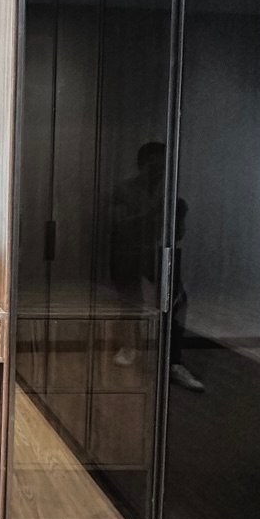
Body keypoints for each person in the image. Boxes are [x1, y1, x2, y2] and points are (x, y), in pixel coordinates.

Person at [109, 140, 204, 392]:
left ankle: (173, 361)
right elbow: (118, 224)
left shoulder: (171, 191)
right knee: (131, 301)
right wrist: (152, 212)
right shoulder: (124, 190)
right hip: (129, 251)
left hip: (159, 252)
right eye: (154, 165)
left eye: (163, 165)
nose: (159, 170)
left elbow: (178, 234)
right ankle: (130, 346)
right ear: (142, 165)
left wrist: (179, 216)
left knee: (176, 301)